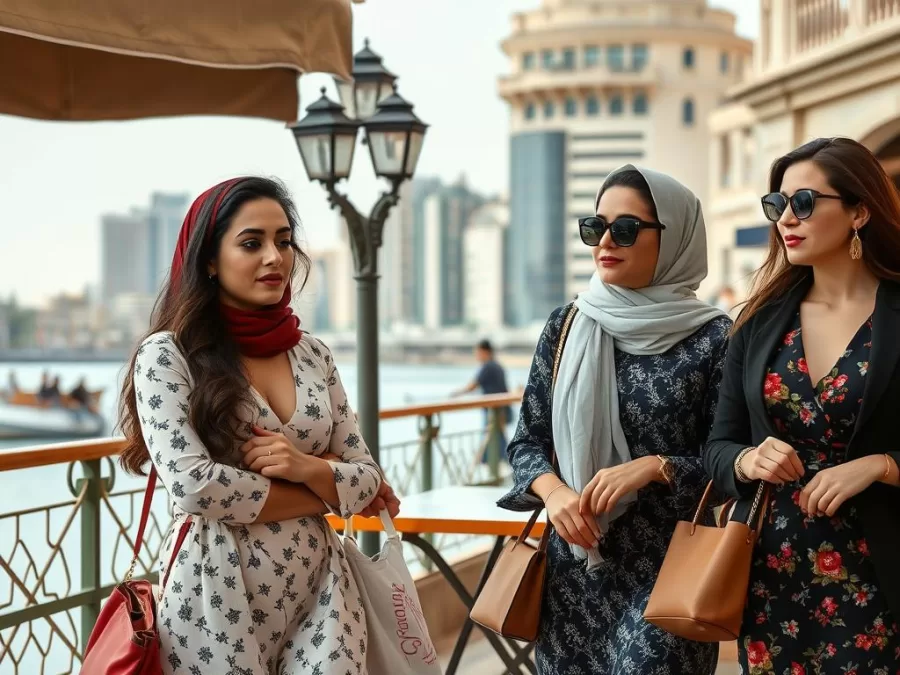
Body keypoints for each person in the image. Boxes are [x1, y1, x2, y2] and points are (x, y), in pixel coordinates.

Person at [117, 177, 401, 675]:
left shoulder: (313, 354)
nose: (275, 257)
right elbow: (194, 486)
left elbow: (368, 475)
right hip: (211, 589)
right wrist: (325, 491)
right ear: (209, 259)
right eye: (252, 243)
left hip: (321, 584)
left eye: (284, 241)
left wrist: (306, 466)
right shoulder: (167, 355)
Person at [498, 165, 731, 674]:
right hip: (574, 567)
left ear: (674, 238)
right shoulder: (566, 326)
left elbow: (730, 465)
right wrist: (556, 495)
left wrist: (654, 466)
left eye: (625, 228)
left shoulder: (715, 339)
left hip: (673, 570)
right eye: (594, 227)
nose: (606, 240)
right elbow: (526, 444)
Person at [704, 137, 900, 674]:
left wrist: (881, 466)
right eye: (778, 204)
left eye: (805, 202)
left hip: (880, 577)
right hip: (772, 578)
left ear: (860, 211)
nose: (786, 218)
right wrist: (747, 461)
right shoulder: (759, 322)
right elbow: (718, 446)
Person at [452, 339, 511, 462]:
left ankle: (499, 465)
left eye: (478, 352)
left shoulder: (488, 366)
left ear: (485, 352)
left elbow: (473, 385)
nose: (476, 356)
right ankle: (504, 465)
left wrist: (457, 393)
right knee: (498, 440)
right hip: (500, 410)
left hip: (493, 411)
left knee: (493, 440)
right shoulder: (497, 366)